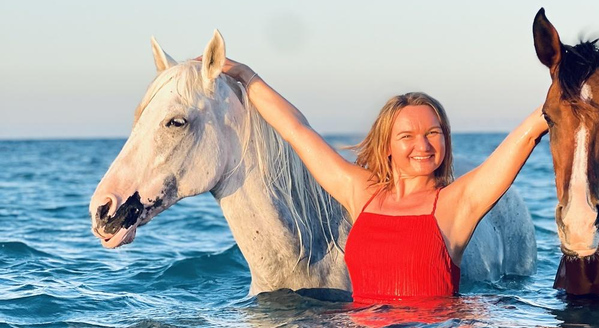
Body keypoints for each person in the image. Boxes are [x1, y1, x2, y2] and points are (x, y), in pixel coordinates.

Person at [220, 59, 547, 302]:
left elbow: (527, 135)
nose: (423, 146)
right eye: (407, 136)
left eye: (433, 133)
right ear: (386, 146)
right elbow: (297, 131)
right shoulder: (360, 192)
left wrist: (568, 88)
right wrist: (247, 77)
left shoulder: (456, 204)